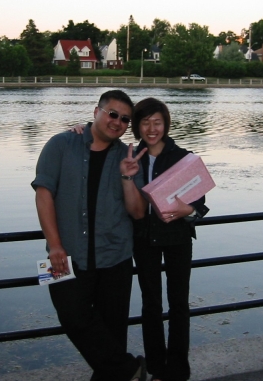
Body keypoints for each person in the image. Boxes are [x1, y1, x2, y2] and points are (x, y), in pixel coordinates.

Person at [31, 89, 147, 381]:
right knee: (70, 317)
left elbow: (138, 213)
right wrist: (54, 246)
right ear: (96, 111)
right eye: (112, 114)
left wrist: (127, 177)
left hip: (116, 258)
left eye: (125, 119)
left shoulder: (129, 157)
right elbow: (43, 195)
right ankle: (133, 370)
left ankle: (125, 374)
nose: (117, 122)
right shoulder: (60, 144)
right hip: (62, 254)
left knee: (112, 334)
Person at [120, 97, 209, 381]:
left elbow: (200, 204)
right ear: (137, 126)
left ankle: (178, 370)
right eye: (145, 122)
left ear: (166, 124)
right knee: (151, 304)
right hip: (144, 237)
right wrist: (78, 129)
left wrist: (188, 211)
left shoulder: (183, 157)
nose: (151, 128)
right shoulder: (130, 157)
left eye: (157, 122)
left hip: (177, 237)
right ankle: (157, 369)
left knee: (179, 304)